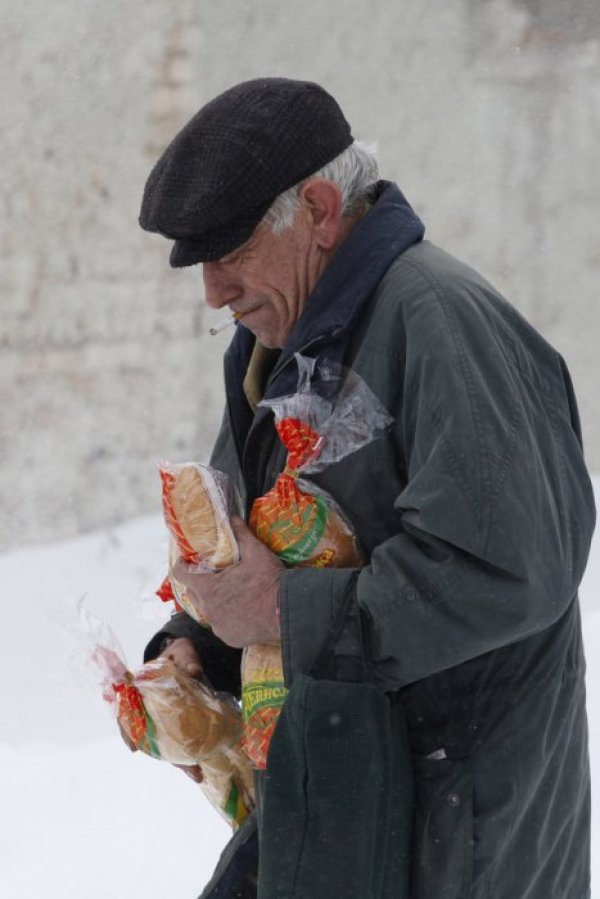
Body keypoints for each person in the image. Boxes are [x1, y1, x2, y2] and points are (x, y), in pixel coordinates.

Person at [139, 77, 596, 898]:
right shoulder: (274, 336)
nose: (213, 291)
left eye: (231, 252)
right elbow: (252, 543)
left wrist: (285, 614)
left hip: (457, 835)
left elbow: (512, 569)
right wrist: (196, 642)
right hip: (338, 801)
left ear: (319, 209)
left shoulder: (442, 320)